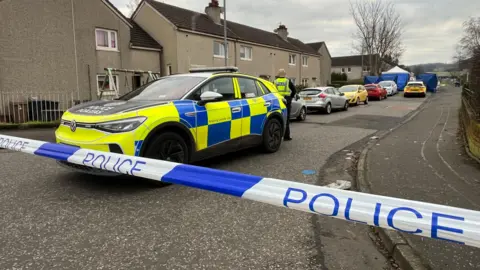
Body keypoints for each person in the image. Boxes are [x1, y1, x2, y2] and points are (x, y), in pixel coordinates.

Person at [273, 69, 296, 141]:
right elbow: (294, 90)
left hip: (278, 101)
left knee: (276, 118)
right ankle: (286, 136)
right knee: (286, 119)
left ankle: (276, 136)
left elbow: (272, 91)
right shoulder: (287, 81)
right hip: (286, 101)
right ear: (284, 74)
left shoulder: (275, 81)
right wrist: (291, 97)